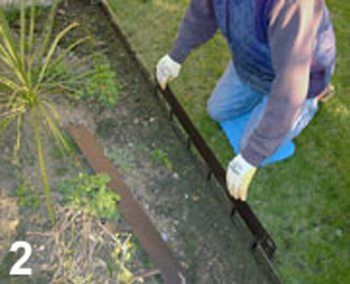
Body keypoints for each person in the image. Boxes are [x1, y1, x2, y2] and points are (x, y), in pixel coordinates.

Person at [156, 0, 336, 202]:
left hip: (301, 75)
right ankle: (264, 98)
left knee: (249, 146)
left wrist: (252, 156)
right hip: (253, 62)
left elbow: (290, 85)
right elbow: (203, 10)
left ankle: (311, 101)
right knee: (217, 110)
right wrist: (176, 55)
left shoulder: (292, 5)